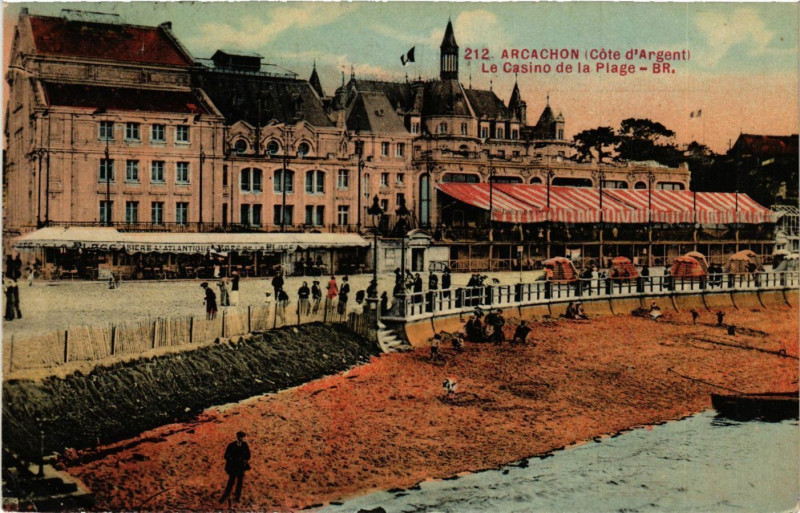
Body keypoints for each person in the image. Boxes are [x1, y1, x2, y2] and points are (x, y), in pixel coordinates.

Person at [220, 431, 251, 504]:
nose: (241, 438)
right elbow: (226, 455)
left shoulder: (245, 445)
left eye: (242, 437)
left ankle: (237, 497)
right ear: (237, 436)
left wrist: (244, 460)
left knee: (239, 483)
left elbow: (248, 455)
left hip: (241, 467)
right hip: (233, 467)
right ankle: (225, 496)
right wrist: (231, 460)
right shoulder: (231, 445)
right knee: (231, 482)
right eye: (239, 436)